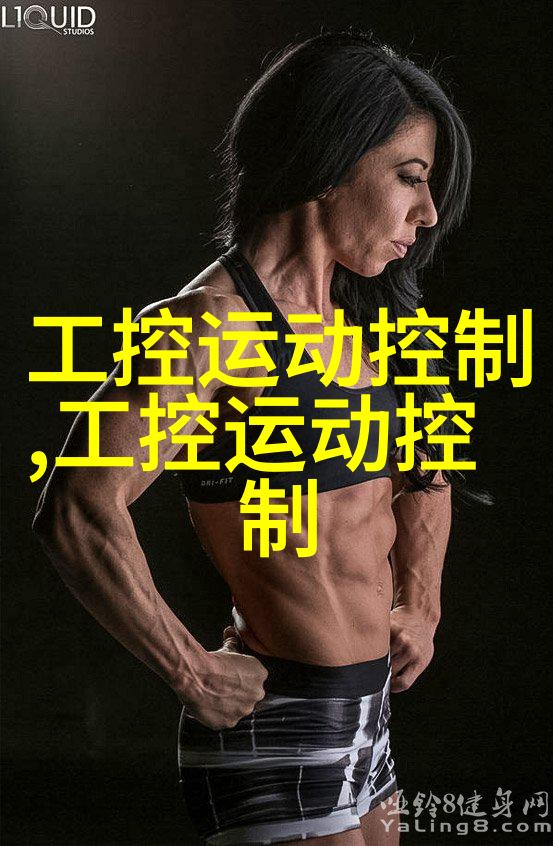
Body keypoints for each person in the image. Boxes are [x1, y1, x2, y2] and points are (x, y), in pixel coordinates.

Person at [33, 31, 476, 846]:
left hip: (371, 724)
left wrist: (423, 602)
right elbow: (77, 508)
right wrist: (189, 669)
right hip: (282, 725)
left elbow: (429, 461)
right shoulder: (210, 326)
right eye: (411, 178)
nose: (428, 213)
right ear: (332, 160)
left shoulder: (371, 318)